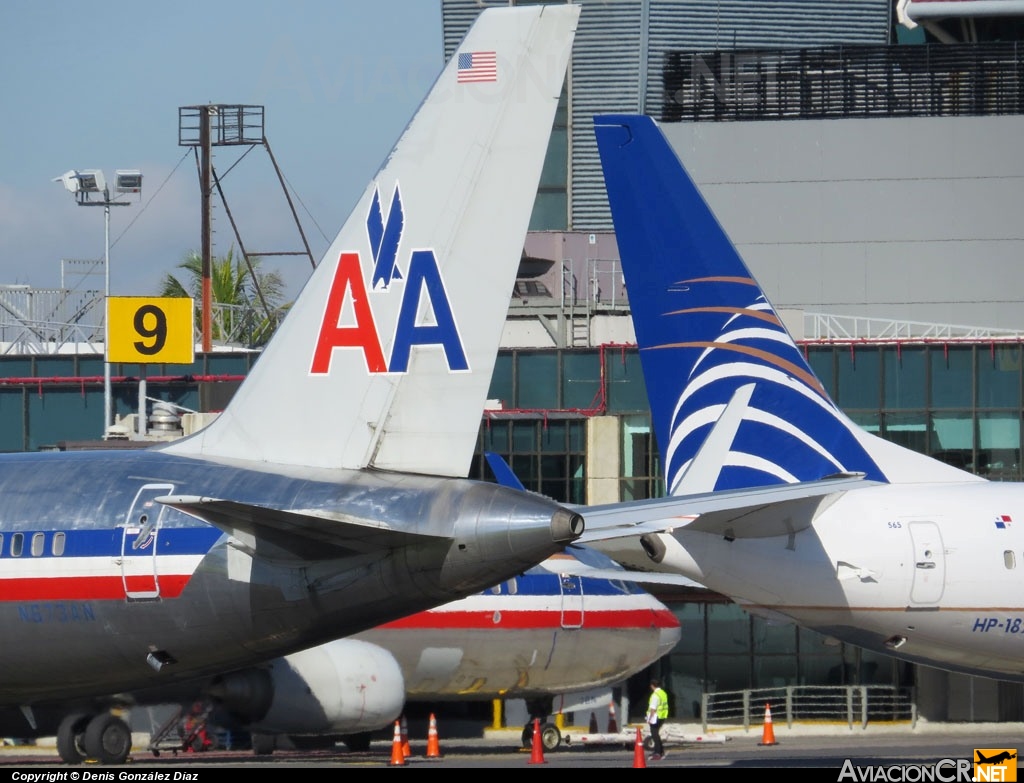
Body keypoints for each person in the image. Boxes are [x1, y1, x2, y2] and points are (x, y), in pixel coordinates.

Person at [646, 678, 668, 760]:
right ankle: (660, 751)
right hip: (662, 716)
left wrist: (649, 719)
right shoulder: (663, 693)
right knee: (656, 734)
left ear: (652, 686)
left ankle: (658, 752)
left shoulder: (655, 695)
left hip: (656, 717)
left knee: (654, 734)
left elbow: (653, 708)